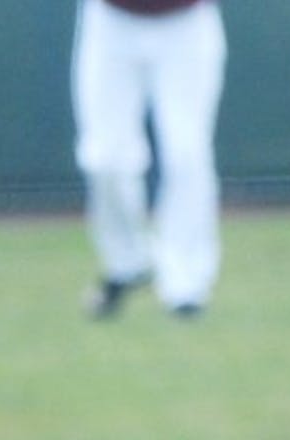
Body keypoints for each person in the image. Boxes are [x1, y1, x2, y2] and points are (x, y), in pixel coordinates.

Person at [72, 0, 227, 319]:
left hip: (187, 22)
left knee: (186, 154)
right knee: (104, 157)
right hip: (112, 21)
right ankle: (129, 262)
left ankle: (187, 288)